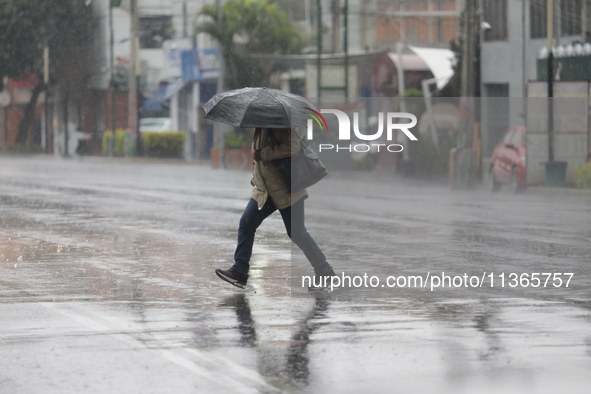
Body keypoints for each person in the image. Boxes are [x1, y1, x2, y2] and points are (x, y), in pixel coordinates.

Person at [215, 127, 335, 288]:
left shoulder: (278, 124)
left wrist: (264, 154)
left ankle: (325, 272)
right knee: (246, 223)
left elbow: (293, 147)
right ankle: (240, 270)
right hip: (265, 191)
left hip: (287, 190)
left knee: (297, 233)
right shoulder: (260, 127)